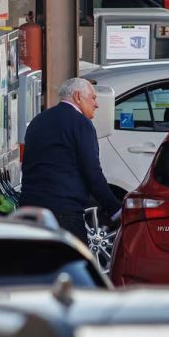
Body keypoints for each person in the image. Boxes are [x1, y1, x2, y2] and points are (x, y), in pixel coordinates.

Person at [20, 77, 121, 243]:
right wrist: (115, 210)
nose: (97, 104)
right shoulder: (82, 124)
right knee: (72, 265)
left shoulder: (38, 121)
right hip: (64, 213)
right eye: (94, 98)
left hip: (30, 211)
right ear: (78, 97)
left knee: (36, 265)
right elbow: (92, 171)